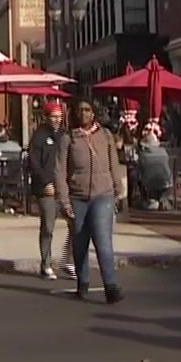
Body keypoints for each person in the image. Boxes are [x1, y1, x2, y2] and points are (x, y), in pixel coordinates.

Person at [54, 101, 125, 304]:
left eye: (86, 110)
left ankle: (110, 286)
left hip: (102, 195)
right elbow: (60, 171)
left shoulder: (105, 136)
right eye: (80, 110)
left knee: (103, 242)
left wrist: (118, 190)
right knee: (79, 242)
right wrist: (64, 201)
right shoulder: (68, 138)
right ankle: (82, 283)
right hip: (77, 197)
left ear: (93, 113)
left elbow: (114, 163)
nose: (83, 114)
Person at [29, 102, 70, 280]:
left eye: (59, 116)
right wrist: (45, 182)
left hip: (65, 187)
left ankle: (69, 261)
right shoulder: (39, 137)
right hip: (45, 188)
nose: (57, 120)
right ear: (46, 117)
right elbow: (34, 163)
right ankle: (45, 263)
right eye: (54, 116)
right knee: (48, 226)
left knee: (76, 225)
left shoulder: (64, 136)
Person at [136, 129, 173, 211]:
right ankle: (161, 199)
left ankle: (145, 199)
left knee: (138, 177)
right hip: (166, 181)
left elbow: (139, 170)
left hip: (148, 183)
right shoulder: (163, 152)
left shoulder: (143, 155)